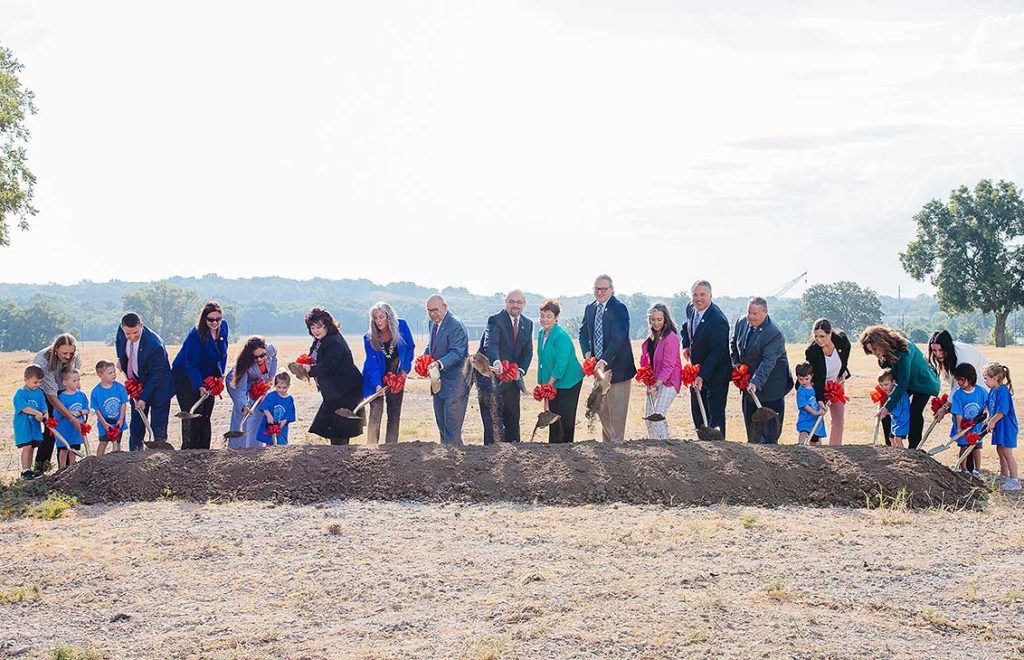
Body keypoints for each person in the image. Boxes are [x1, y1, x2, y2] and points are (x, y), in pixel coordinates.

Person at [859, 325, 940, 449]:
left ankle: (914, 448)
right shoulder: (886, 352)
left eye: (875, 349)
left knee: (914, 412)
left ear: (882, 341)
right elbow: (889, 372)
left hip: (923, 382)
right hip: (906, 380)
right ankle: (890, 446)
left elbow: (902, 384)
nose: (876, 353)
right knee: (888, 409)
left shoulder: (903, 350)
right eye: (872, 352)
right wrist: (887, 405)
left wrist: (888, 406)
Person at [579, 274, 636, 442]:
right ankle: (608, 451)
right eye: (597, 289)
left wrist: (603, 361)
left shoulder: (619, 308)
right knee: (602, 410)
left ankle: (617, 448)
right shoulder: (590, 308)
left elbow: (617, 339)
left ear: (612, 289)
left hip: (618, 369)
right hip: (598, 368)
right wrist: (588, 353)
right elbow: (583, 332)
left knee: (616, 412)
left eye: (604, 289)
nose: (600, 292)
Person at [730, 297, 793, 444]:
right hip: (749, 386)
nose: (751, 317)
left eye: (755, 314)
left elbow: (768, 362)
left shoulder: (774, 333)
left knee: (769, 435)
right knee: (752, 432)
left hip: (771, 387)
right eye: (749, 313)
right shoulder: (742, 322)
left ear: (765, 312)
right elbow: (734, 344)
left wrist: (755, 382)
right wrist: (737, 365)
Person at [305, 307, 364, 445]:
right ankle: (337, 458)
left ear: (327, 325)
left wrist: (310, 370)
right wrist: (302, 367)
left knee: (340, 429)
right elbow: (311, 359)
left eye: (319, 327)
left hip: (346, 392)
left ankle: (341, 461)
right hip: (334, 392)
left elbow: (328, 365)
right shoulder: (319, 340)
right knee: (332, 429)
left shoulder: (333, 341)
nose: (316, 330)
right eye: (312, 327)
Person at [116, 312, 174, 450]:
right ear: (123, 328)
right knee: (136, 424)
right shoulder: (121, 331)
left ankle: (157, 455)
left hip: (159, 386)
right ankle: (135, 455)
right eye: (128, 334)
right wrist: (120, 359)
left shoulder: (155, 346)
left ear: (141, 325)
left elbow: (156, 376)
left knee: (157, 427)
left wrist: (144, 398)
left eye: (135, 333)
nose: (131, 337)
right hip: (137, 382)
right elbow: (119, 343)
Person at [481, 290, 534, 443]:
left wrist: (521, 370)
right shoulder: (495, 320)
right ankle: (490, 455)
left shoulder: (528, 323)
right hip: (493, 380)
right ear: (506, 302)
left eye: (519, 302)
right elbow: (491, 344)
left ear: (524, 304)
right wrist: (496, 361)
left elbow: (528, 352)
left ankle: (515, 457)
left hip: (513, 382)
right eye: (511, 301)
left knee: (513, 420)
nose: (515, 305)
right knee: (493, 423)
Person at [680, 280, 730, 438]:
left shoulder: (718, 320)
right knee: (698, 413)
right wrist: (686, 345)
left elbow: (718, 352)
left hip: (716, 374)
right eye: (695, 294)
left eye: (703, 295)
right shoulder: (690, 308)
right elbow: (685, 327)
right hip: (697, 371)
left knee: (714, 416)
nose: (698, 298)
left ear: (710, 296)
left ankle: (719, 448)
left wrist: (702, 375)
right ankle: (702, 447)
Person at [361, 302, 415, 444]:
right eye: (375, 318)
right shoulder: (369, 337)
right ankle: (371, 447)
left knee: (394, 413)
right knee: (376, 412)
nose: (378, 321)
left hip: (396, 375)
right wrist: (378, 385)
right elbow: (372, 364)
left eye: (381, 317)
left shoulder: (401, 326)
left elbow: (410, 348)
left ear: (389, 316)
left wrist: (405, 370)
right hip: (375, 378)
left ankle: (391, 447)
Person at [29, 333, 82, 473]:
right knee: (51, 428)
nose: (68, 356)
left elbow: (74, 379)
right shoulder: (43, 362)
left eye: (71, 353)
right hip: (45, 392)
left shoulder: (75, 357)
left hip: (64, 390)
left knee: (67, 427)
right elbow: (51, 395)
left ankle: (66, 469)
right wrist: (70, 417)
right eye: (64, 353)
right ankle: (41, 466)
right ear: (56, 348)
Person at [536, 298, 584, 444]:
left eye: (549, 316)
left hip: (569, 381)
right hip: (553, 381)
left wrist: (549, 385)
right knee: (553, 415)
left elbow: (560, 365)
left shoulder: (561, 336)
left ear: (556, 318)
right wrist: (544, 386)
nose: (545, 319)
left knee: (565, 417)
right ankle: (553, 448)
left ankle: (566, 447)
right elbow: (543, 362)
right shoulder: (541, 334)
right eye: (542, 315)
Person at [425, 294, 469, 445]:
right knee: (443, 428)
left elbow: (457, 352)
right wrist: (425, 359)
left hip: (455, 383)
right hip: (438, 383)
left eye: (435, 310)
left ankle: (456, 463)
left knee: (452, 429)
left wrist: (438, 364)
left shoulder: (455, 325)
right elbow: (432, 346)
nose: (432, 314)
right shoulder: (433, 323)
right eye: (429, 311)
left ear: (445, 307)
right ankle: (446, 462)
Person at [804, 319, 852, 445]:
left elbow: (844, 360)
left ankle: (836, 448)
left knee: (838, 419)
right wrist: (820, 400)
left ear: (830, 333)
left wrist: (841, 375)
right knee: (817, 417)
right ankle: (817, 446)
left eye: (822, 336)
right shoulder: (812, 351)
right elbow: (818, 377)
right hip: (819, 385)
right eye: (816, 336)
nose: (819, 340)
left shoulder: (842, 341)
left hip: (837, 382)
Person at [225, 336, 278, 449]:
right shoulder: (245, 365)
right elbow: (241, 389)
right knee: (244, 412)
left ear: (266, 351)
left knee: (258, 411)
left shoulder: (271, 349)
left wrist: (271, 377)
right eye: (255, 357)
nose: (259, 359)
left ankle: (255, 447)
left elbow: (274, 358)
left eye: (262, 355)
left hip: (254, 381)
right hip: (236, 382)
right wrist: (243, 405)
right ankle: (238, 447)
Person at [639, 303, 682, 439]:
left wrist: (657, 385)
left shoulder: (671, 338)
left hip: (668, 381)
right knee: (648, 416)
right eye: (653, 319)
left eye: (659, 319)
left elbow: (669, 365)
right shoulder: (651, 338)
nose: (656, 323)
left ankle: (665, 446)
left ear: (666, 320)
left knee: (657, 416)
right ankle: (655, 445)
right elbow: (646, 361)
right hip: (655, 381)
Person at [982, 362, 1019, 491]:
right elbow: (989, 406)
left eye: (986, 378)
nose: (985, 381)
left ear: (995, 378)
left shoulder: (1003, 391)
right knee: (1000, 450)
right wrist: (988, 418)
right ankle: (1004, 475)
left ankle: (1015, 480)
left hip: (1006, 427)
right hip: (999, 426)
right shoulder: (993, 390)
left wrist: (992, 421)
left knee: (1007, 452)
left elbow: (1002, 411)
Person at [950, 363, 987, 477]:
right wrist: (960, 428)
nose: (959, 383)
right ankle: (964, 469)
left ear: (970, 379)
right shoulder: (958, 395)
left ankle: (977, 470)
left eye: (961, 380)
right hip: (964, 426)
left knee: (976, 447)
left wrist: (985, 415)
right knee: (964, 446)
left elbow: (986, 406)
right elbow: (958, 413)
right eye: (957, 380)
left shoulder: (981, 391)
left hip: (976, 427)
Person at [13, 365, 47, 480]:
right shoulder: (20, 393)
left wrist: (45, 413)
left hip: (34, 425)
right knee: (27, 446)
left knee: (32, 446)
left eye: (40, 382)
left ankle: (29, 470)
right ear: (26, 380)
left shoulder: (39, 392)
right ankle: (25, 470)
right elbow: (24, 408)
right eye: (35, 382)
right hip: (24, 425)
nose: (37, 385)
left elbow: (43, 405)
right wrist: (37, 413)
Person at [90, 360, 129, 456]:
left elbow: (124, 403)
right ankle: (97, 462)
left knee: (117, 442)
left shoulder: (120, 388)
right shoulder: (96, 392)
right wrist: (104, 423)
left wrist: (121, 419)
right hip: (105, 423)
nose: (114, 374)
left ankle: (118, 462)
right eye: (110, 373)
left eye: (114, 372)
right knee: (103, 442)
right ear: (100, 374)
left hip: (117, 422)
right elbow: (96, 409)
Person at [55, 369, 89, 468]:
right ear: (65, 382)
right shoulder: (61, 397)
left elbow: (86, 408)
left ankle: (72, 466)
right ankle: (61, 467)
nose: (77, 383)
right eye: (74, 381)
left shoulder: (81, 395)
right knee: (64, 448)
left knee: (74, 448)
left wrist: (81, 412)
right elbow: (59, 413)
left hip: (76, 428)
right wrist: (70, 413)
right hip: (64, 428)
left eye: (79, 380)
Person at [258, 372, 296, 445]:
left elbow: (289, 413)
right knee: (269, 441)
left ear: (289, 386)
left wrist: (284, 422)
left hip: (282, 424)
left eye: (284, 387)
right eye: (279, 387)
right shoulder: (270, 396)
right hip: (270, 423)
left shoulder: (289, 399)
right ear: (275, 385)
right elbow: (264, 407)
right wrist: (269, 416)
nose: (281, 390)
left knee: (282, 441)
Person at [794, 363, 826, 445]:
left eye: (806, 379)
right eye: (801, 379)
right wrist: (815, 412)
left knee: (816, 437)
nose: (804, 382)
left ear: (811, 376)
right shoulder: (801, 391)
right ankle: (801, 445)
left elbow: (821, 398)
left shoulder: (816, 387)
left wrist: (822, 408)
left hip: (816, 419)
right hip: (806, 418)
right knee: (803, 432)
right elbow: (805, 406)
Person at [877, 368, 910, 448]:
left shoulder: (898, 394)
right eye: (881, 385)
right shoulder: (891, 392)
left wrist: (886, 412)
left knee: (897, 438)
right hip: (895, 420)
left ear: (893, 382)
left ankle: (903, 453)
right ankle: (895, 453)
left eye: (886, 384)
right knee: (891, 438)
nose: (883, 388)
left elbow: (898, 408)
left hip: (902, 420)